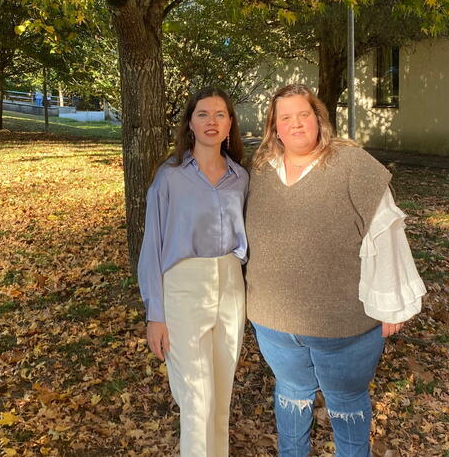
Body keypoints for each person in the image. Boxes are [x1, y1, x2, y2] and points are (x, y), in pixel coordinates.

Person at [245, 83, 426, 456]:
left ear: (318, 119)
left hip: (342, 324)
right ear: (274, 127)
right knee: (292, 396)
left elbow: (386, 233)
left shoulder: (352, 165)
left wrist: (391, 305)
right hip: (274, 323)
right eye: (286, 118)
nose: (296, 124)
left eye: (303, 114)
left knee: (346, 404)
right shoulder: (262, 169)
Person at [138, 87, 248, 456]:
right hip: (184, 289)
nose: (212, 121)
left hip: (231, 287)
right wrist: (156, 314)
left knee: (220, 398)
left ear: (230, 123)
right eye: (203, 114)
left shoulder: (241, 178)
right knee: (197, 398)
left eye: (220, 114)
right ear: (190, 123)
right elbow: (151, 247)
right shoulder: (169, 177)